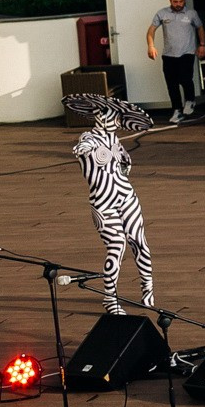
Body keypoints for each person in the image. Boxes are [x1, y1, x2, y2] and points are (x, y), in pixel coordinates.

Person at [70, 98, 154, 315]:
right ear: (99, 115)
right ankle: (110, 297)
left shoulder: (116, 142)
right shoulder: (89, 138)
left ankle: (147, 289)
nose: (116, 120)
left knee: (139, 242)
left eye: (118, 116)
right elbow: (82, 149)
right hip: (103, 201)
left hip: (126, 196)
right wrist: (84, 149)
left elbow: (125, 165)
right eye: (112, 115)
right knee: (116, 245)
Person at [146, 0, 205, 123]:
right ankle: (177, 110)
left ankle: (190, 100)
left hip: (187, 52)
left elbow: (200, 27)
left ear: (185, 0)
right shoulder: (162, 13)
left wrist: (202, 45)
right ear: (170, 0)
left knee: (185, 78)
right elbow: (151, 30)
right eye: (175, 1)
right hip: (169, 54)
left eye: (181, 1)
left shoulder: (191, 14)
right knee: (171, 84)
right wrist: (151, 46)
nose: (178, 4)